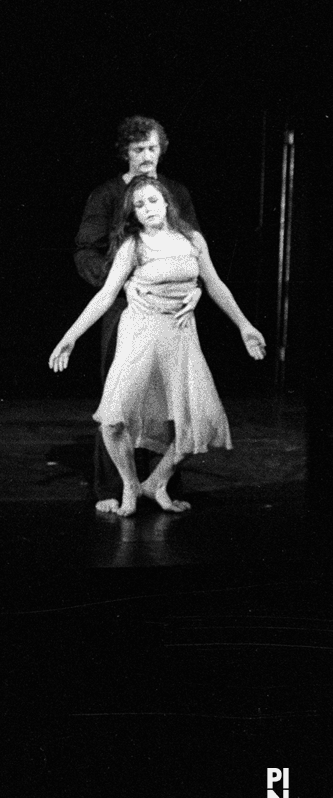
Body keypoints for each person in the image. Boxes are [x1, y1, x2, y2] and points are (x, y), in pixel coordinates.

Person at [50, 174, 265, 515]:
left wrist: (244, 325)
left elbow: (215, 284)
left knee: (198, 424)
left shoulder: (192, 239)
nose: (147, 209)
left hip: (180, 337)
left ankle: (156, 483)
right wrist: (69, 337)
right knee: (114, 419)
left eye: (152, 200)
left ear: (167, 203)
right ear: (132, 214)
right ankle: (131, 487)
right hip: (141, 333)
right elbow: (106, 295)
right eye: (138, 205)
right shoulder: (132, 245)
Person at [75, 116, 201, 499]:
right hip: (125, 309)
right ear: (125, 152)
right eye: (138, 149)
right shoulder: (107, 195)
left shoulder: (175, 192)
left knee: (169, 397)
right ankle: (115, 487)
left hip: (172, 310)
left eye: (152, 148)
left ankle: (160, 485)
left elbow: (193, 246)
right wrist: (120, 282)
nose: (146, 156)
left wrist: (195, 289)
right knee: (121, 397)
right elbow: (85, 250)